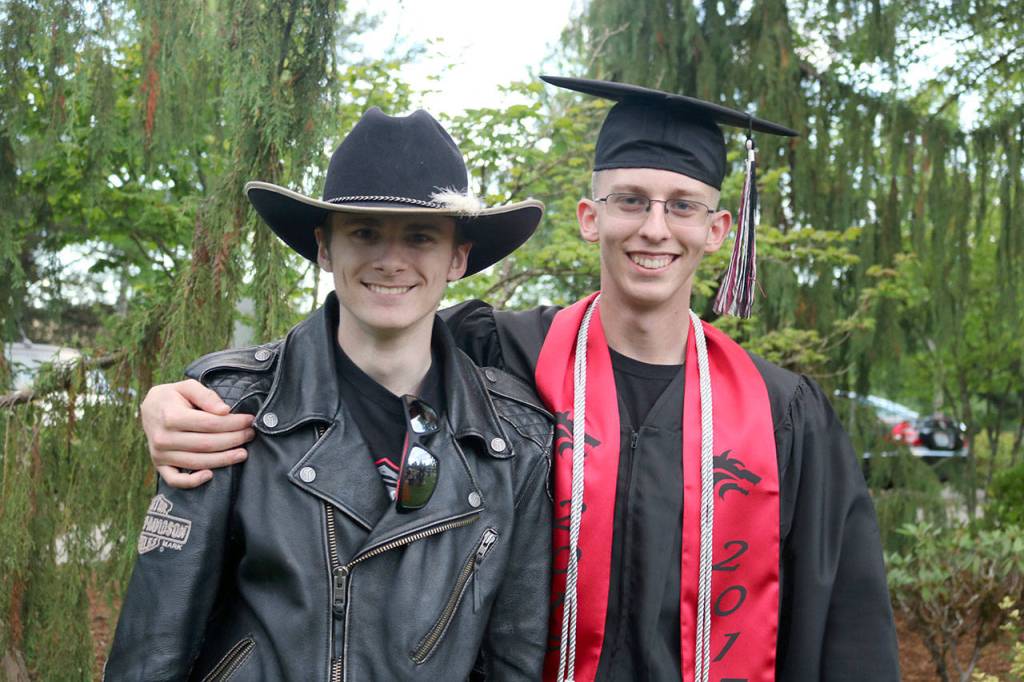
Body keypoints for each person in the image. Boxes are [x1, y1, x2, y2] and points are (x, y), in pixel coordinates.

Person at [138, 78, 901, 681]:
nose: (655, 228)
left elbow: (845, 620)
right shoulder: (503, 354)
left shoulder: (782, 414)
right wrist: (175, 400)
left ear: (719, 229)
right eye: (629, 200)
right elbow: (361, 349)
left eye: (683, 207)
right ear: (589, 216)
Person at [106, 107, 553, 681]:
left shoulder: (515, 440)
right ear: (325, 248)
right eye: (364, 232)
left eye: (420, 237)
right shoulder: (231, 407)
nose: (390, 260)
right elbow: (153, 642)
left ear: (457, 258)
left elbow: (514, 655)